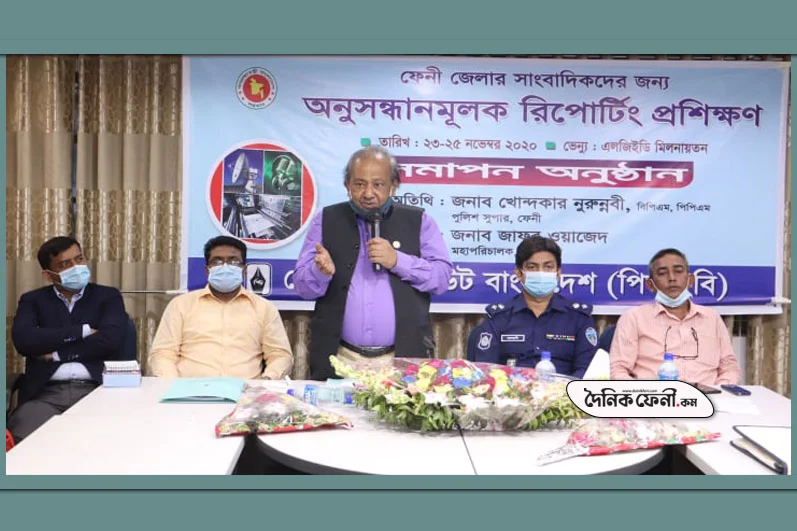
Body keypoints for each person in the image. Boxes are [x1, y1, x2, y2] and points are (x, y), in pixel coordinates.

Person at [293, 146, 453, 380]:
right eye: (359, 184)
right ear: (347, 185)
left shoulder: (419, 221)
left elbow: (441, 279)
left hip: (401, 360)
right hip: (340, 358)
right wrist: (319, 272)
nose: (368, 193)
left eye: (378, 184)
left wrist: (397, 260)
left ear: (393, 186)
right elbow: (302, 287)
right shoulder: (325, 220)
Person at [8, 236, 128, 442]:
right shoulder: (33, 300)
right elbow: (24, 340)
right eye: (65, 264)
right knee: (25, 443)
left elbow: (111, 339)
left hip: (98, 390)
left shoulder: (108, 296)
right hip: (45, 394)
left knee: (108, 441)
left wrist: (57, 354)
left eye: (79, 259)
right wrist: (82, 331)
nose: (76, 267)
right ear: (48, 275)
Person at [148, 236, 293, 379]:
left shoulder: (264, 308)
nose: (225, 267)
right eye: (217, 261)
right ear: (207, 270)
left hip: (245, 390)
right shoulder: (181, 305)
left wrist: (267, 380)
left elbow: (280, 355)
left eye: (233, 261)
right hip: (190, 390)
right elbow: (163, 354)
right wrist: (174, 385)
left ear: (244, 270)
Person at [466, 236, 598, 378]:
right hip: (512, 390)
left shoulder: (578, 318)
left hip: (565, 390)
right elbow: (486, 370)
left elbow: (588, 370)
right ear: (519, 273)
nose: (541, 273)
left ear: (558, 272)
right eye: (532, 267)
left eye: (548, 267)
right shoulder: (498, 317)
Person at [609, 248, 742, 385]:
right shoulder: (634, 318)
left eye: (678, 271)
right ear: (650, 285)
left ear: (690, 280)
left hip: (708, 394)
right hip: (655, 395)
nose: (672, 278)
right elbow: (618, 369)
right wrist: (642, 392)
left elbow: (729, 367)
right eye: (662, 273)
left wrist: (720, 390)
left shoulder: (711, 318)